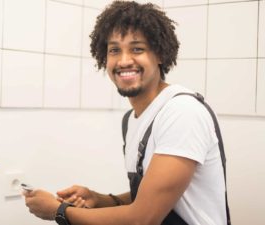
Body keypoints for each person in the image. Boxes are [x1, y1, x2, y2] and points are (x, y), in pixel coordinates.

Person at [24, 1, 229, 225]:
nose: (123, 61)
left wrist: (59, 211)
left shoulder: (182, 113)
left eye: (137, 49)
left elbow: (143, 218)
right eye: (114, 50)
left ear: (159, 54)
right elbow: (151, 196)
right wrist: (100, 199)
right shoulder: (131, 120)